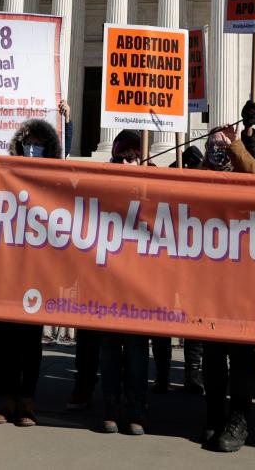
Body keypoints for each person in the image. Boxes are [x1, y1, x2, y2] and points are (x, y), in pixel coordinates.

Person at [0, 100, 71, 427]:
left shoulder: (54, 177)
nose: (34, 149)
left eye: (40, 144)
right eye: (30, 143)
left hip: (38, 268)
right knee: (7, 339)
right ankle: (8, 400)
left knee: (30, 339)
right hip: (6, 266)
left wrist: (66, 122)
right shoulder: (3, 174)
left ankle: (28, 400)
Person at [194, 123, 255, 452]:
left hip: (244, 282)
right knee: (212, 355)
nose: (218, 148)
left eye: (223, 144)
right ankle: (213, 415)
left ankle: (239, 419)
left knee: (240, 355)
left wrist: (237, 146)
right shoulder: (198, 175)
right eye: (213, 143)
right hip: (209, 281)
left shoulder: (245, 174)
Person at [96, 131, 151, 434]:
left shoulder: (155, 182)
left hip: (140, 283)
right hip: (109, 280)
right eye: (123, 157)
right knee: (109, 347)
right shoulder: (103, 182)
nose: (129, 162)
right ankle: (110, 405)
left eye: (134, 156)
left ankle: (136, 408)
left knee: (136, 349)